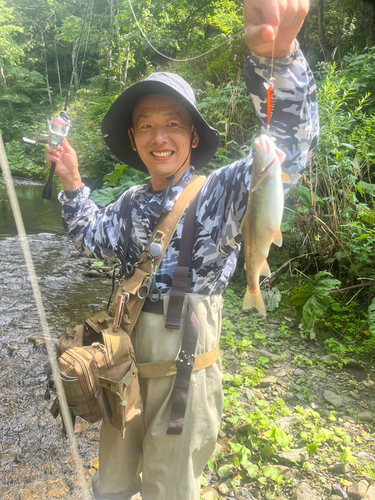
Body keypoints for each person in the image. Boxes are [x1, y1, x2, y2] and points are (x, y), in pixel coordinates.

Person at [45, 1, 318, 498]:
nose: (159, 137)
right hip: (121, 368)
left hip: (184, 383)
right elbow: (92, 239)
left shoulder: (223, 191)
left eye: (172, 123)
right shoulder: (129, 202)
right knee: (111, 484)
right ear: (134, 138)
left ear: (193, 135)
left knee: (171, 490)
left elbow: (290, 148)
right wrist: (72, 185)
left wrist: (278, 56)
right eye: (146, 125)